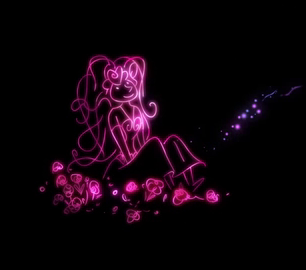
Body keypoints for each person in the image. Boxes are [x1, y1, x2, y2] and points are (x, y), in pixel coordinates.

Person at [68, 55, 205, 190]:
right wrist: (128, 156)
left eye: (128, 84)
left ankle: (189, 182)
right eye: (118, 88)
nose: (126, 89)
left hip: (143, 151)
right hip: (131, 157)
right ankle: (175, 181)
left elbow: (144, 135)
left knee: (173, 140)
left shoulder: (136, 109)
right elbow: (119, 139)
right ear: (110, 92)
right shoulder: (114, 113)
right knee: (155, 142)